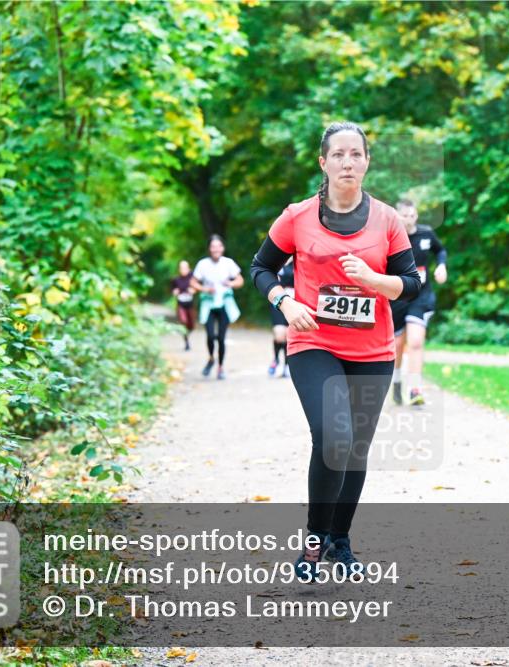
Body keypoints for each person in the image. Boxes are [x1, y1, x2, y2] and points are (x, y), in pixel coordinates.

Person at [250, 121, 421, 581]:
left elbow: (411, 284)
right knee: (333, 437)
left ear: (367, 162)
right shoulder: (297, 216)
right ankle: (313, 543)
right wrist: (285, 302)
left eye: (356, 154)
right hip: (314, 343)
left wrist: (373, 280)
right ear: (323, 162)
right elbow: (261, 267)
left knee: (356, 449)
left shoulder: (387, 220)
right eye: (339, 155)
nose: (348, 162)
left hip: (373, 351)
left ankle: (339, 542)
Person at [389, 198, 447, 406]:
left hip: (421, 296)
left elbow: (440, 250)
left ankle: (415, 389)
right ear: (397, 216)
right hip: (397, 296)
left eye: (413, 215)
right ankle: (396, 381)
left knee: (415, 341)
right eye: (405, 216)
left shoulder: (426, 234)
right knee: (397, 345)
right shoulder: (389, 237)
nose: (409, 220)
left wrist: (441, 266)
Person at [193, 235, 244, 380]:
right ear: (209, 249)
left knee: (221, 338)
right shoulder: (203, 264)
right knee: (210, 336)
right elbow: (193, 282)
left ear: (223, 248)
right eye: (213, 246)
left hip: (224, 304)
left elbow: (240, 280)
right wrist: (205, 289)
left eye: (219, 246)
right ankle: (211, 358)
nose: (216, 249)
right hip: (208, 304)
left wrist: (230, 283)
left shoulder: (228, 263)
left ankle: (220, 367)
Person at [268, 258, 295, 378]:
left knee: (288, 335)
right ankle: (276, 360)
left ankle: (287, 365)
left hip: (295, 303)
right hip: (279, 301)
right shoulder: (277, 259)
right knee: (279, 335)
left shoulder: (300, 260)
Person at [170, 260, 196, 351]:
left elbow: (198, 287)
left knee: (191, 325)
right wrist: (175, 292)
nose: (183, 270)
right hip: (181, 304)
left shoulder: (192, 279)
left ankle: (187, 334)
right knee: (183, 322)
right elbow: (172, 290)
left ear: (188, 269)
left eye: (185, 268)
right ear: (179, 269)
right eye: (181, 268)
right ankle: (186, 342)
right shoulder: (176, 280)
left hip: (190, 304)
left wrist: (194, 290)